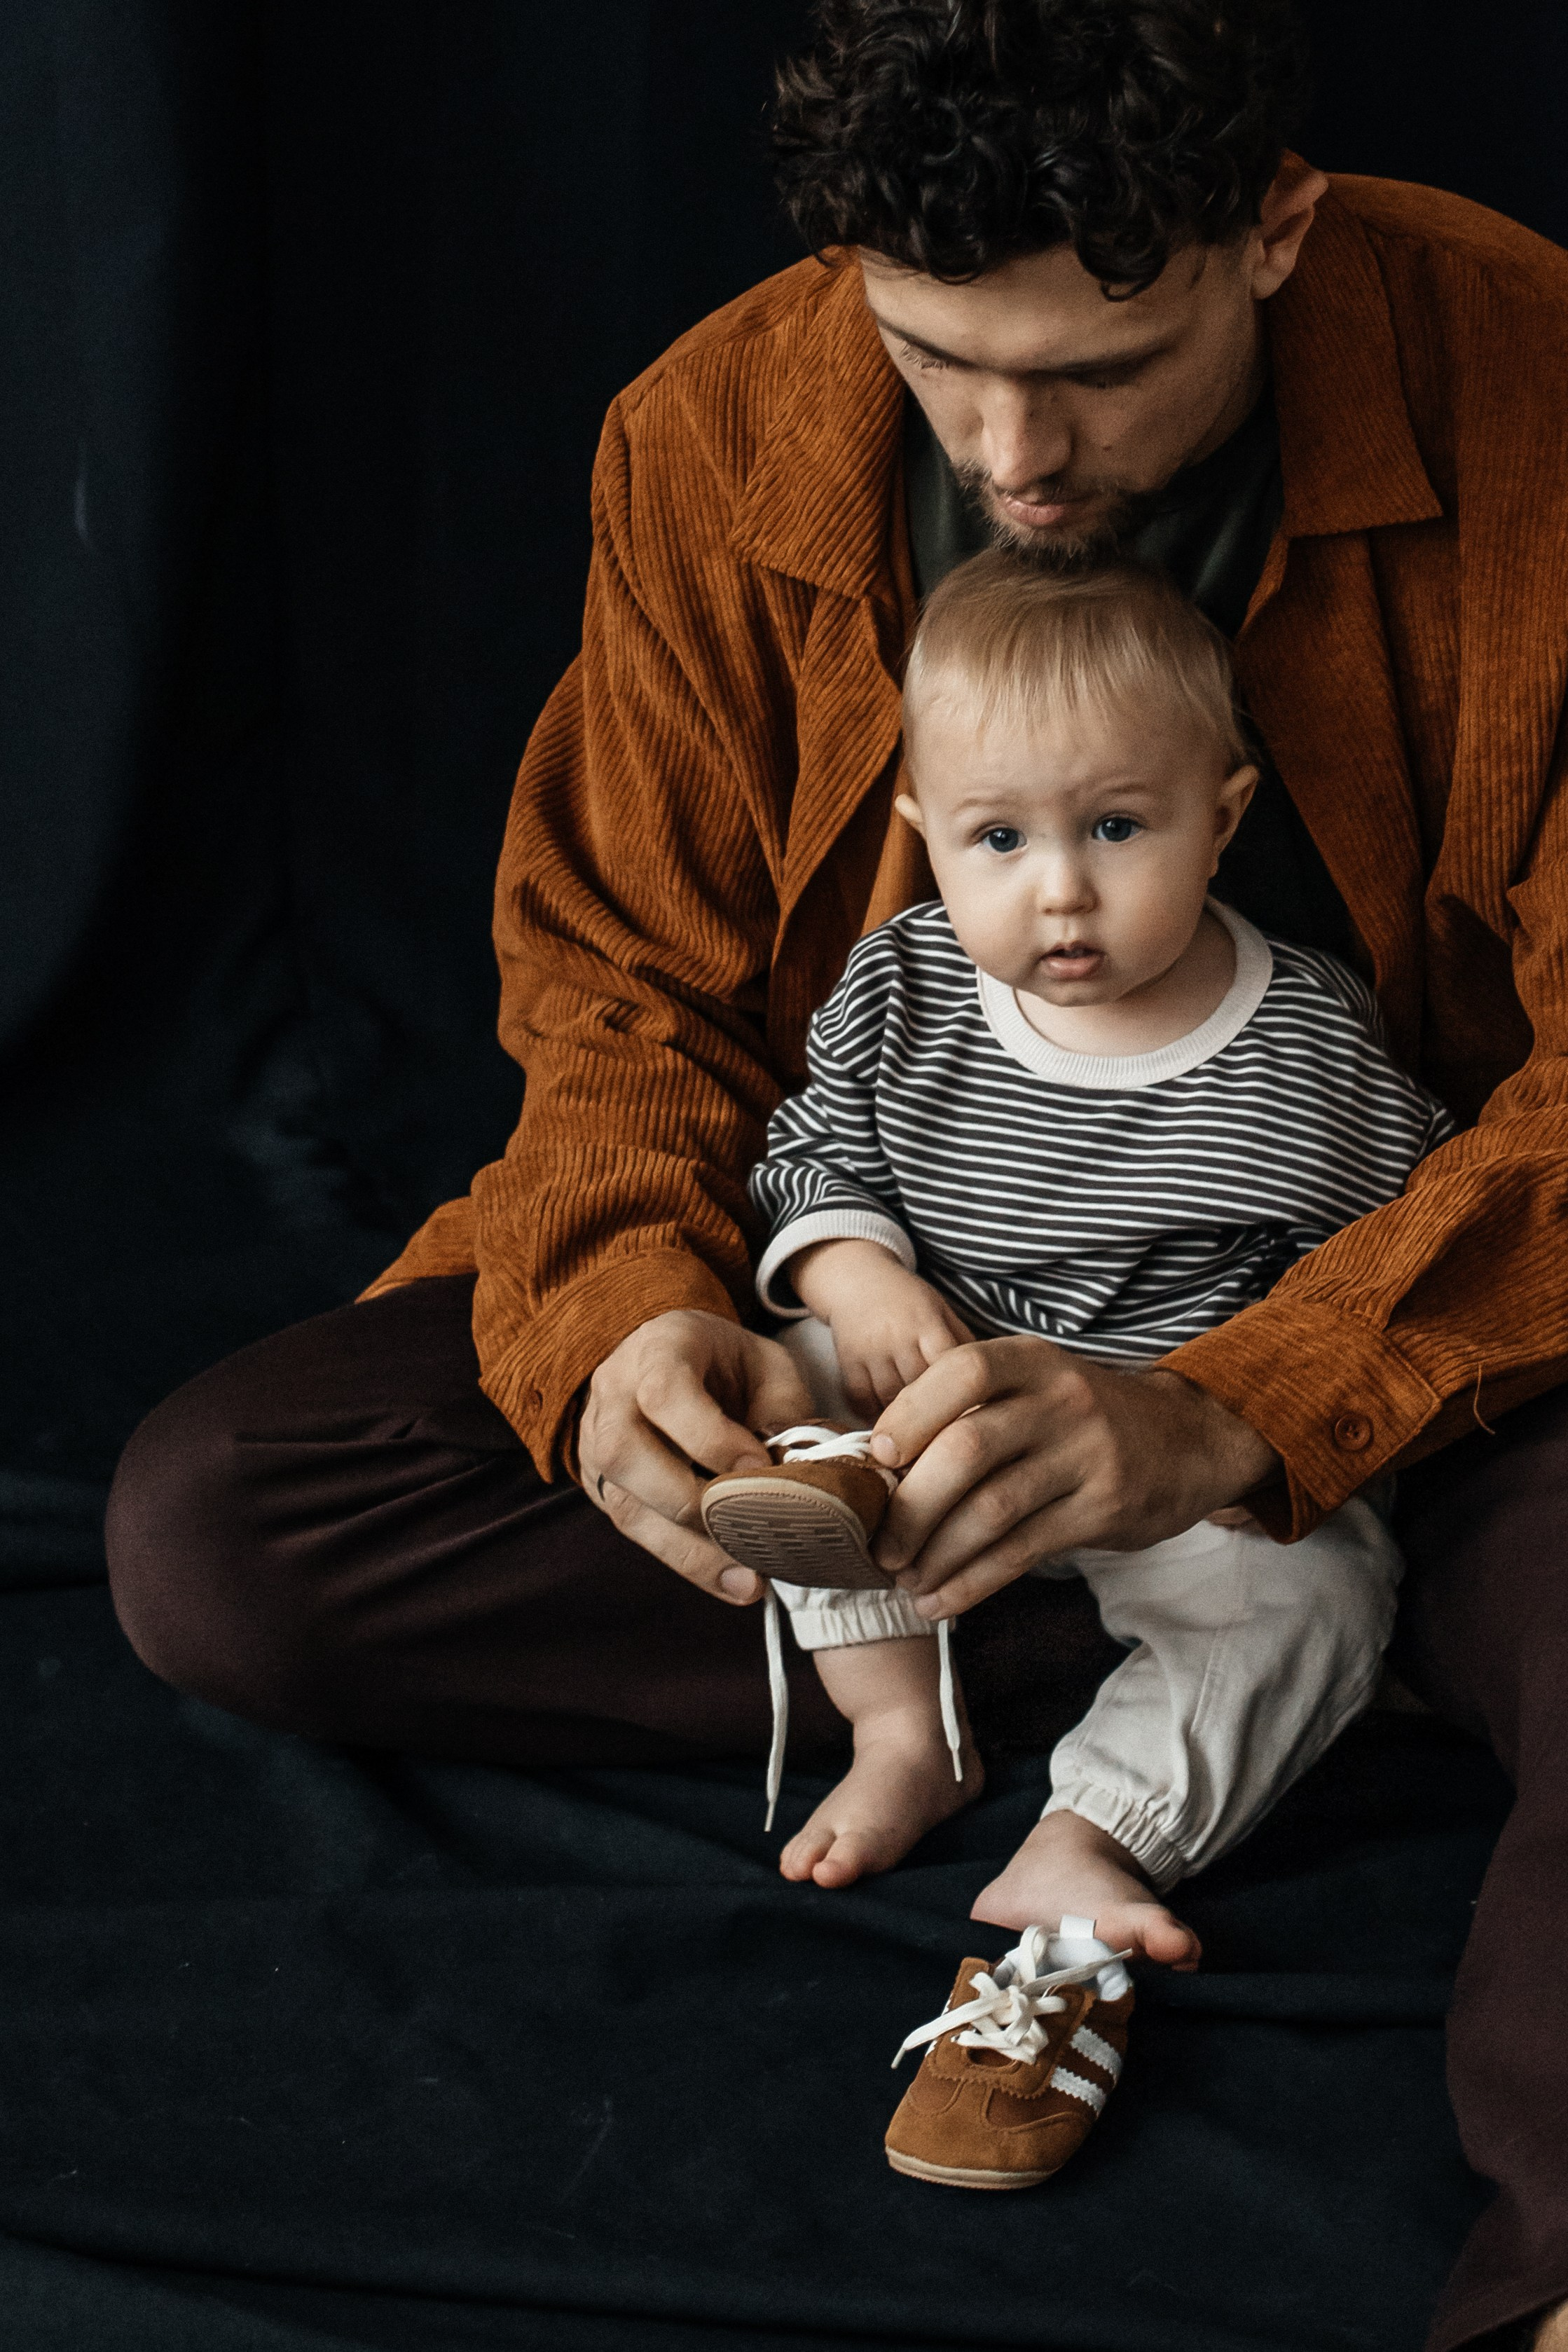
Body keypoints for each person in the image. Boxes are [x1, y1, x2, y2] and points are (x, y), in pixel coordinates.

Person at [103, 1, 1568, 2342]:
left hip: (1433, 1334)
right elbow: (617, 992)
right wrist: (630, 1332)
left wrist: (1240, 1411)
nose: (1007, 452)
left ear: (1272, 230)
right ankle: (1238, 1645)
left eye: (1094, 370)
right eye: (930, 357)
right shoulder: (713, 430)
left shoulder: (1524, 376)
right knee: (220, 1535)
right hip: (921, 1346)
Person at [706, 552, 1445, 1963]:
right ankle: (902, 1728)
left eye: (1115, 826)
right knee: (787, 1398)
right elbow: (808, 1158)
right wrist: (858, 1274)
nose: (1059, 892)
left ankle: (1098, 1827)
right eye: (998, 838)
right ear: (923, 833)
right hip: (933, 1419)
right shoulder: (903, 988)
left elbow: (1400, 1251)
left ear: (1221, 818)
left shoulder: (1303, 1048)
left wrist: (1265, 1427)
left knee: (1324, 1592)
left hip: (1176, 1461)